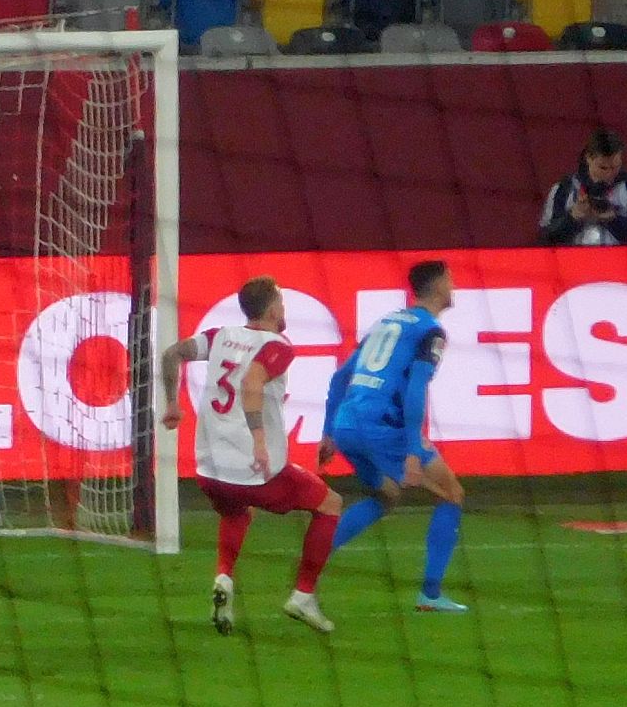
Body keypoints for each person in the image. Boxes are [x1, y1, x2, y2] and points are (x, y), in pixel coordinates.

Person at [160, 276, 342, 636]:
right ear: (273, 308)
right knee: (331, 504)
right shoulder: (277, 346)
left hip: (210, 471)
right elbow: (251, 383)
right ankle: (303, 595)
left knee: (236, 511)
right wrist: (259, 440)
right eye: (282, 303)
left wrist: (171, 405)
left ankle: (224, 578)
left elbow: (172, 354)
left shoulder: (219, 336)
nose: (284, 309)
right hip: (258, 472)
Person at [320, 259, 468, 613]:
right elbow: (416, 390)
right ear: (436, 287)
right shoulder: (430, 332)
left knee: (385, 494)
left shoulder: (387, 322)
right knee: (451, 494)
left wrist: (327, 431)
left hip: (346, 423)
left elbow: (340, 378)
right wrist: (414, 449)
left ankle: (311, 562)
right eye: (450, 280)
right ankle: (430, 595)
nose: (454, 286)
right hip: (381, 426)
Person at [540, 128, 627, 246]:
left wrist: (614, 220)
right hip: (574, 261)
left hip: (618, 261)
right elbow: (545, 241)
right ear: (588, 158)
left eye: (616, 167)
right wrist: (573, 218)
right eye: (603, 168)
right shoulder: (563, 189)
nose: (609, 174)